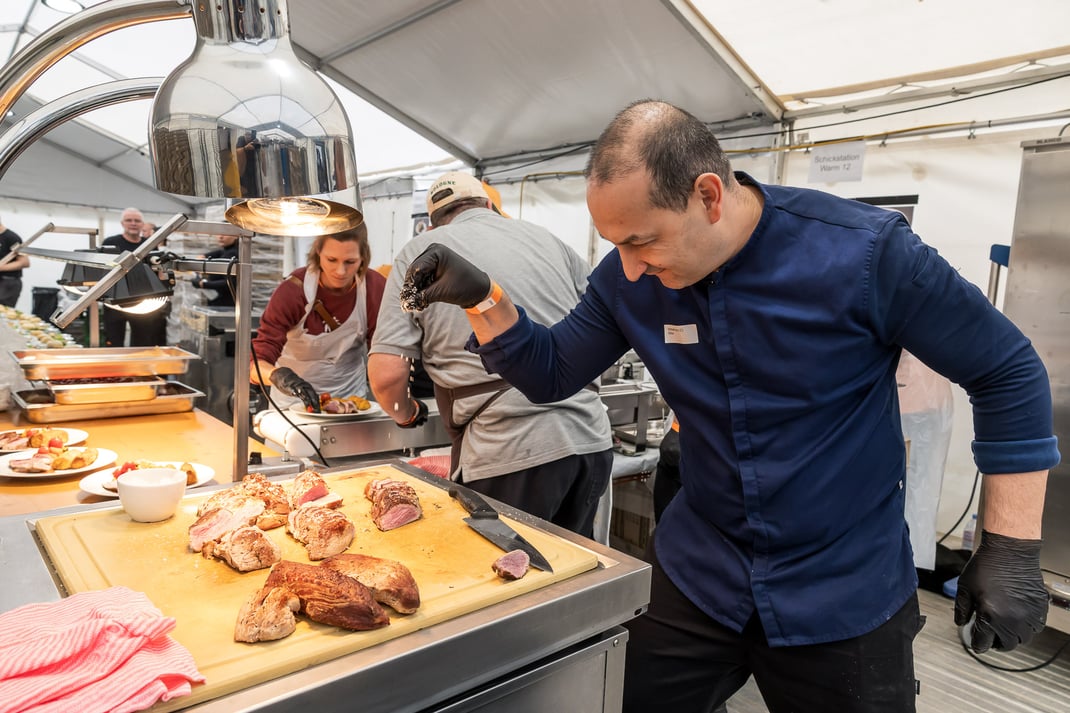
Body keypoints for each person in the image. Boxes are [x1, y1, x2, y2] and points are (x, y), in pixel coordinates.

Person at [399, 100, 1057, 712]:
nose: (627, 269)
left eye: (640, 241)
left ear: (708, 196)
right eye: (615, 245)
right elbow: (549, 370)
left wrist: (1012, 544)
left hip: (841, 586)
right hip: (701, 573)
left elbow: (1007, 369)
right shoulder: (629, 283)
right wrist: (483, 297)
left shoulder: (865, 255)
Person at [369, 171, 613, 539]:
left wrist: (406, 415)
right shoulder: (551, 241)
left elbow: (387, 375)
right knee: (572, 578)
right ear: (489, 205)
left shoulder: (421, 252)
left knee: (511, 586)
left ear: (433, 222)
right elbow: (602, 325)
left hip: (506, 453)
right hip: (590, 440)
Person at [251, 223, 385, 413]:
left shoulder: (374, 288)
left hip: (350, 403)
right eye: (331, 260)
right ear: (317, 252)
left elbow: (383, 352)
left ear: (363, 258)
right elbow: (256, 363)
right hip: (292, 405)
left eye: (350, 262)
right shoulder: (292, 291)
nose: (340, 271)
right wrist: (280, 377)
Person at [100, 207, 168, 346]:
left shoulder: (149, 245)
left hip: (142, 301)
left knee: (142, 341)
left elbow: (156, 270)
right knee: (113, 341)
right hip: (115, 301)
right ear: (122, 223)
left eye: (137, 221)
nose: (133, 223)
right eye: (129, 220)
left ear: (142, 225)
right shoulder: (110, 243)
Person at [190, 234, 239, 307]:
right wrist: (204, 256)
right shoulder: (225, 251)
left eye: (225, 234)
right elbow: (220, 252)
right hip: (220, 303)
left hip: (225, 305)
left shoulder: (232, 254)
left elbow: (230, 282)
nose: (220, 236)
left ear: (236, 235)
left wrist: (203, 284)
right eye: (219, 233)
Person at [0, 217, 29, 308]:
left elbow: (25, 262)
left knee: (3, 313)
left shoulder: (12, 238)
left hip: (8, 283)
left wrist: (1, 267)